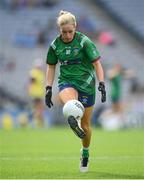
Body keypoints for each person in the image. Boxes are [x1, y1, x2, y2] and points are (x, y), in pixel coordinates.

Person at [45, 10, 106, 172]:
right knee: (71, 104)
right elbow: (51, 66)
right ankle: (73, 119)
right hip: (67, 83)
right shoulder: (54, 45)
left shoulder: (84, 41)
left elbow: (97, 64)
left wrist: (102, 83)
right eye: (63, 32)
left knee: (86, 126)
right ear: (59, 30)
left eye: (70, 32)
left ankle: (85, 152)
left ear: (75, 28)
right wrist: (48, 88)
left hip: (86, 84)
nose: (67, 35)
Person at [28, 58, 45, 127]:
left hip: (40, 94)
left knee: (38, 110)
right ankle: (32, 121)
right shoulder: (34, 72)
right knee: (39, 110)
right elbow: (31, 81)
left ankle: (36, 122)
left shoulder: (41, 73)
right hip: (35, 94)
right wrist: (30, 90)